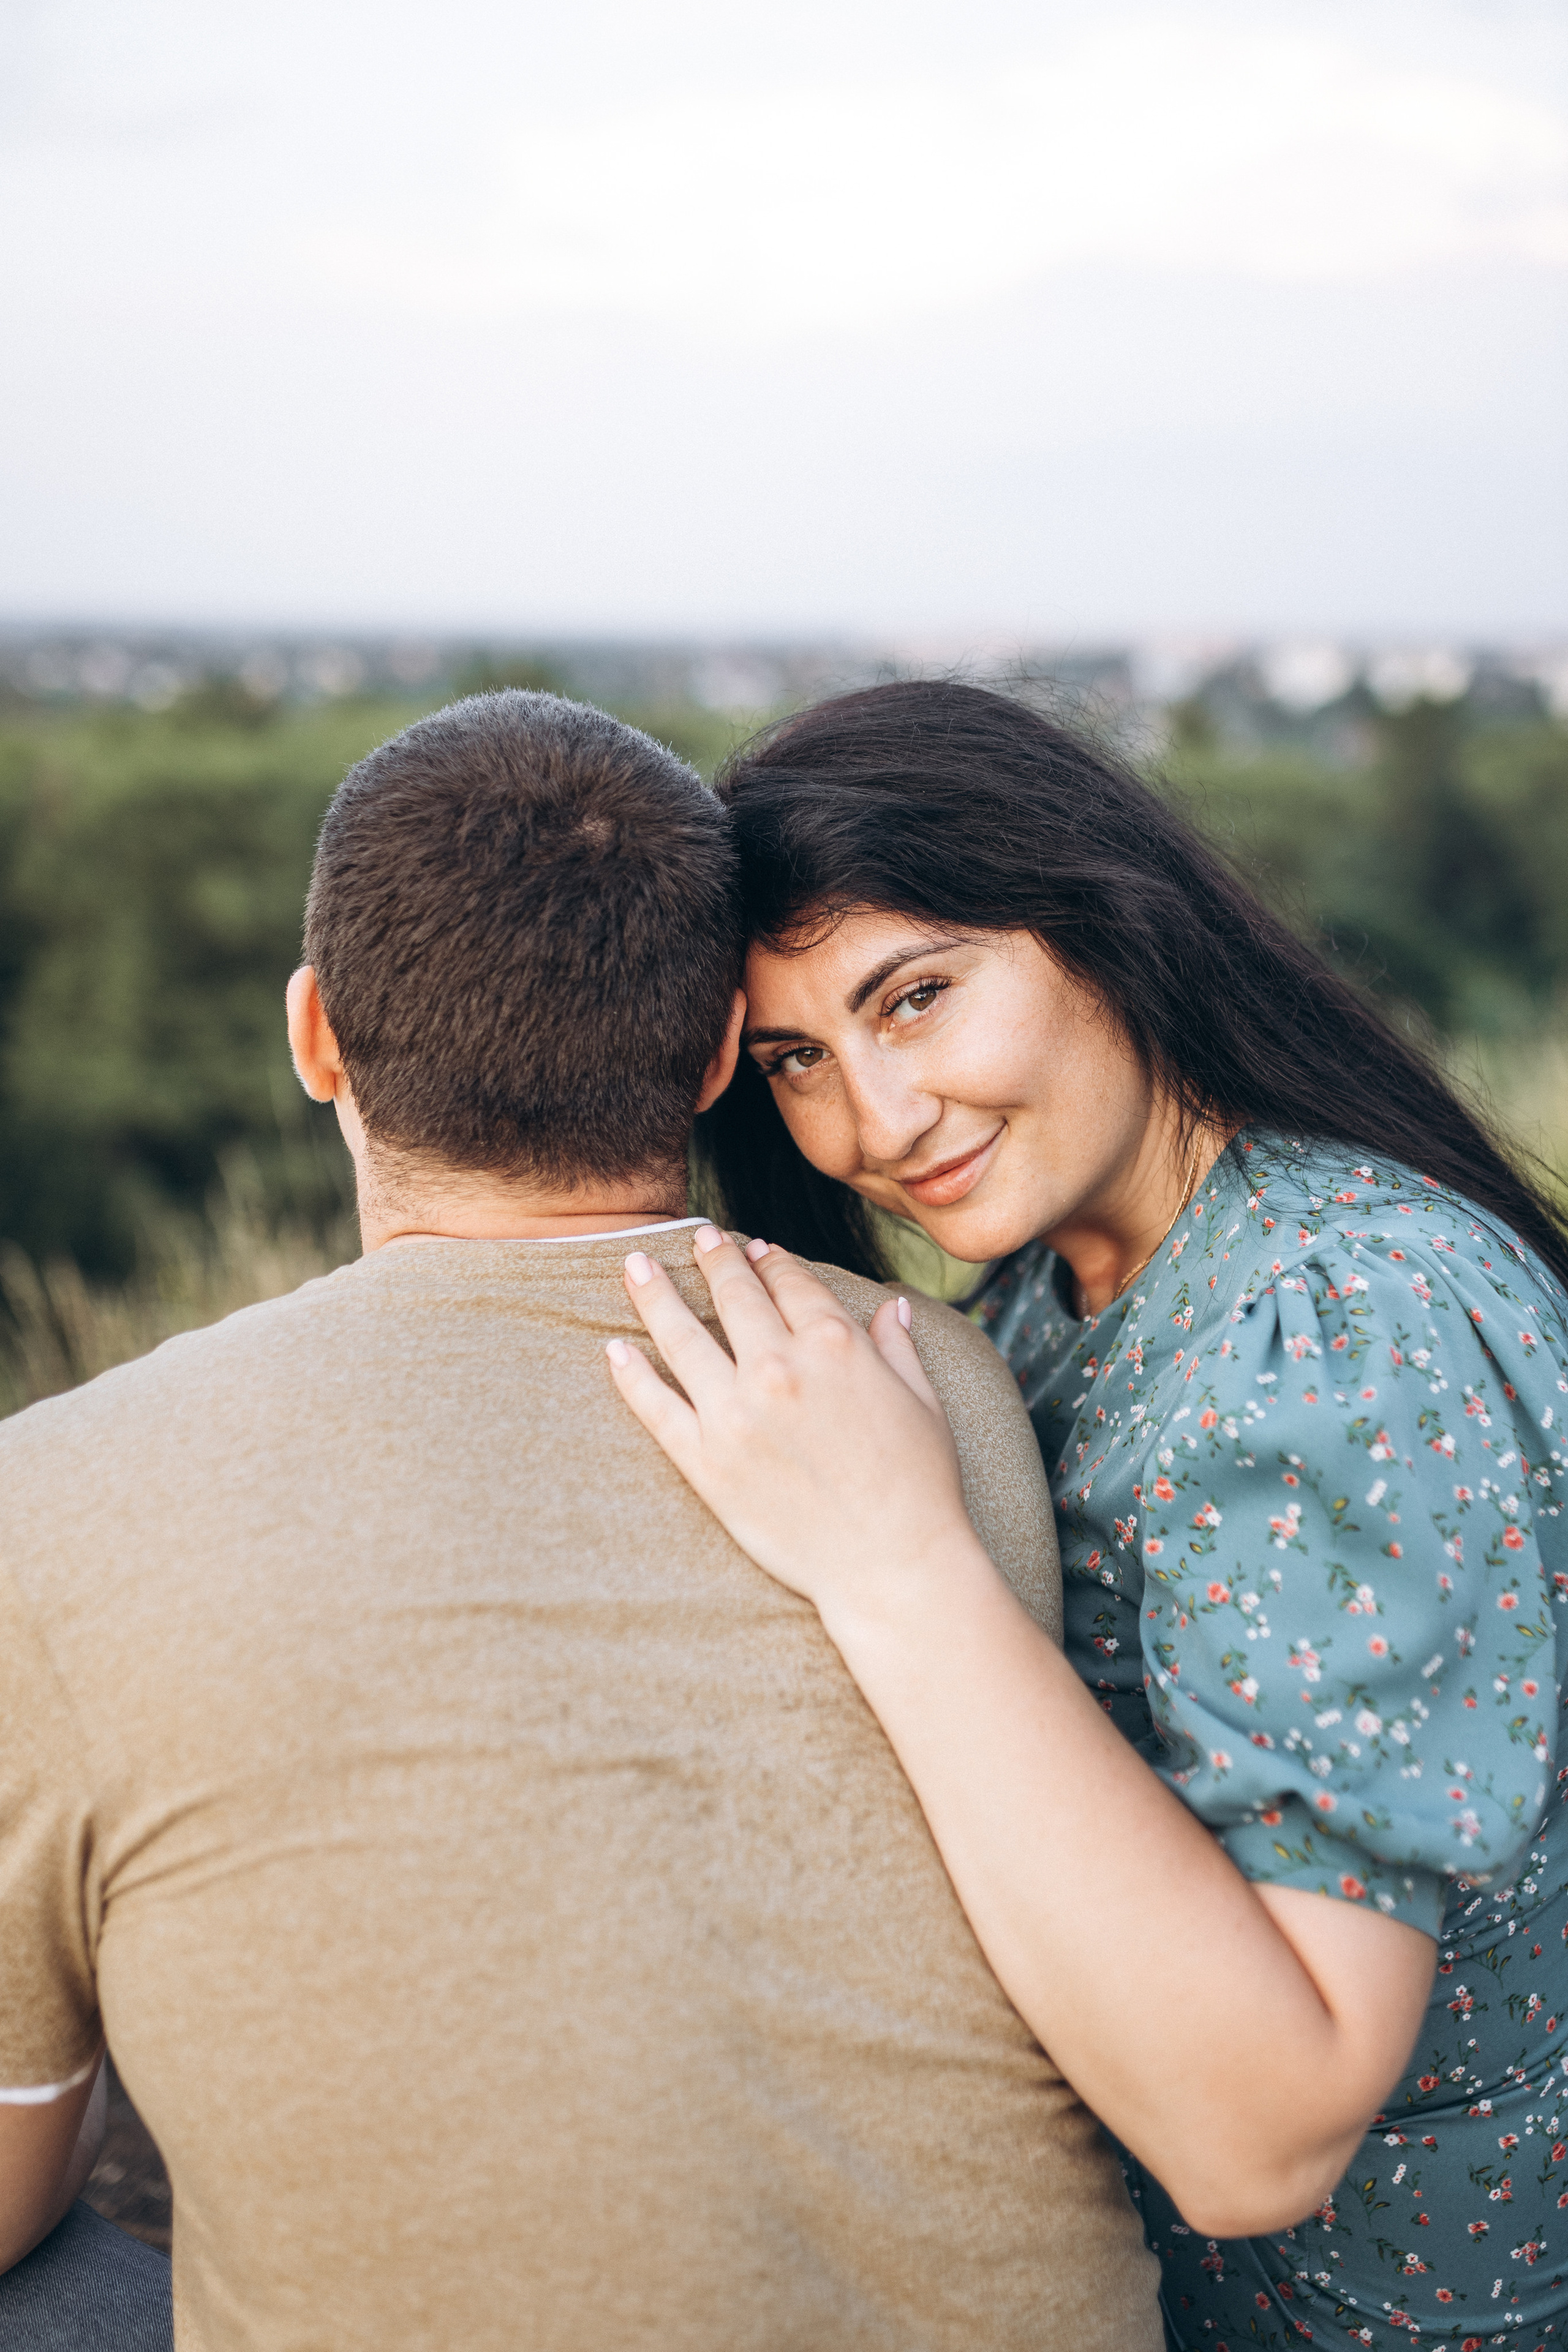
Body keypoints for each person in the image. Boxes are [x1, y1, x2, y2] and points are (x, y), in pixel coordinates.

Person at [0, 688, 1163, 2350]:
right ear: (712, 1058)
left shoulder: (49, 1492)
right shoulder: (934, 1380)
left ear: (316, 1035)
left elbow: (17, 2180)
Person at [609, 677, 1568, 2352]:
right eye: (799, 1062)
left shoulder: (1339, 1332)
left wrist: (893, 1561)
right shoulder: (1068, 1285)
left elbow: (1267, 2127)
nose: (875, 1124)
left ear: (1101, 916)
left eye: (915, 997)